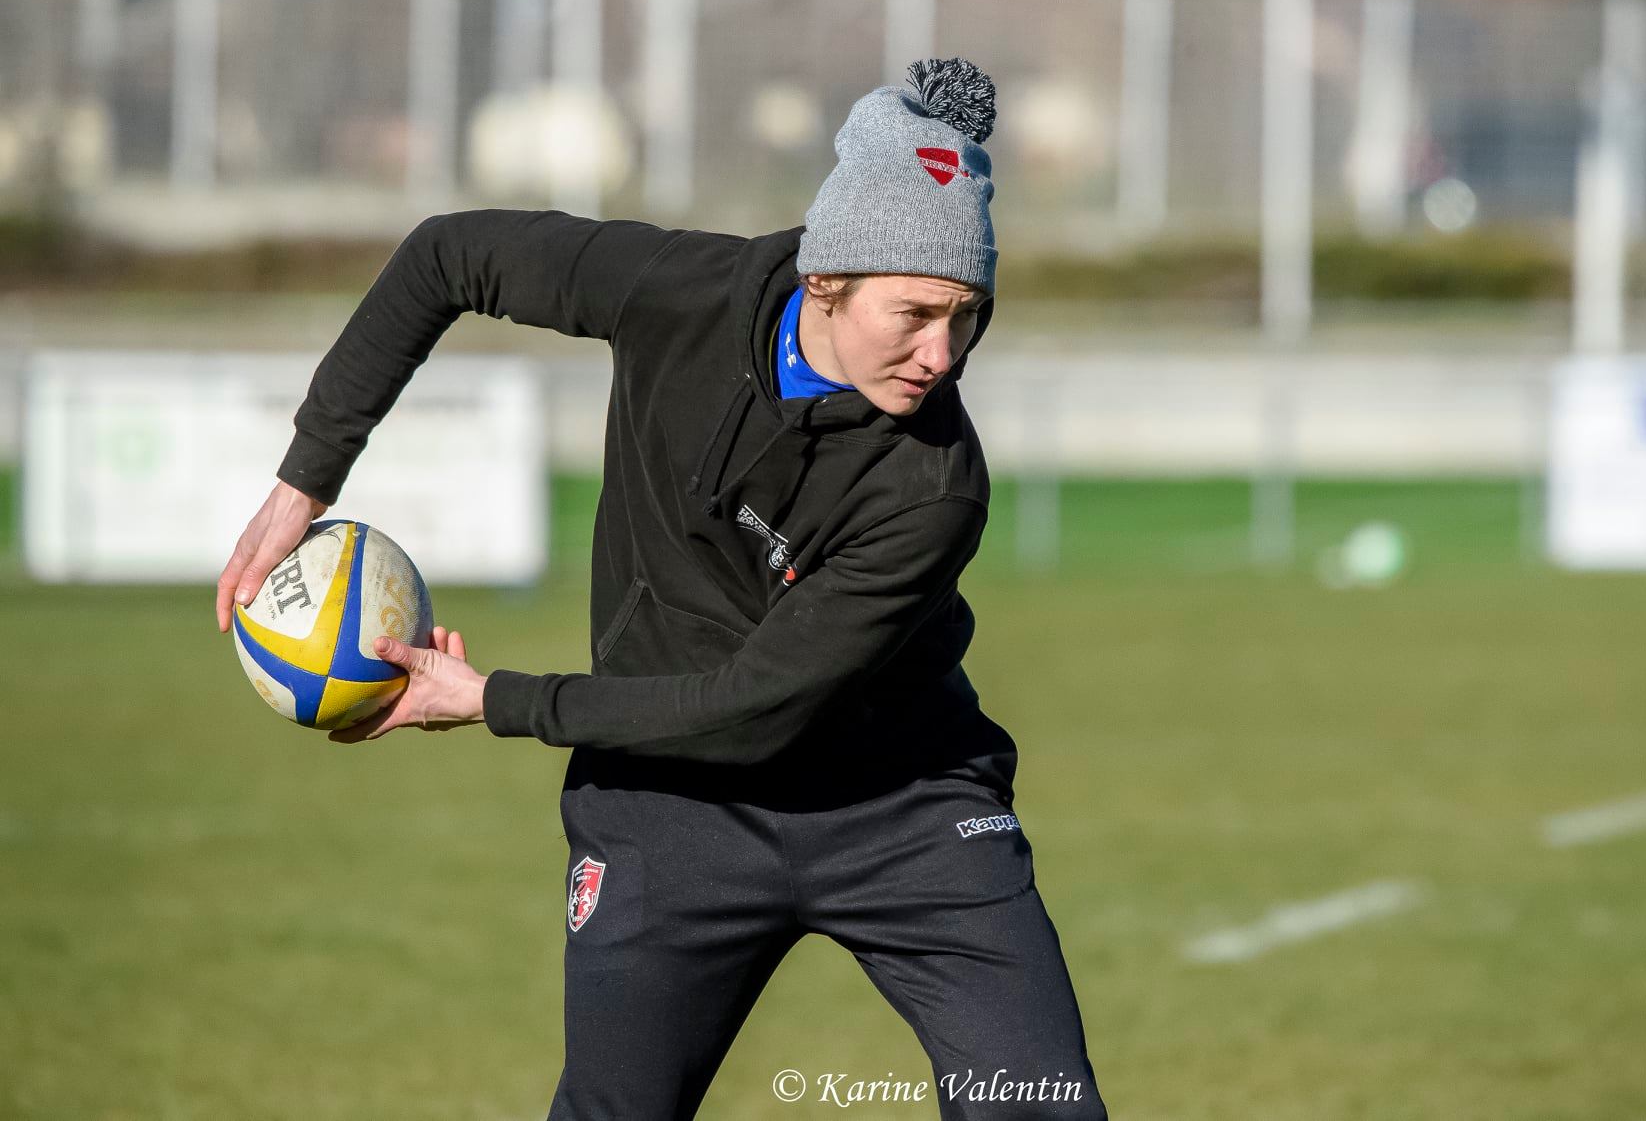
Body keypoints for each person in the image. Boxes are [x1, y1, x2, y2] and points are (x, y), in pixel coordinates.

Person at [213, 58, 1106, 1120]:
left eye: (968, 317)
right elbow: (447, 256)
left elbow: (749, 705)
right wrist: (308, 475)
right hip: (671, 810)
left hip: (901, 808)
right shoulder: (681, 294)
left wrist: (496, 699)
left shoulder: (933, 487)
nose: (941, 354)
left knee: (1041, 1107)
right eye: (915, 313)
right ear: (828, 277)